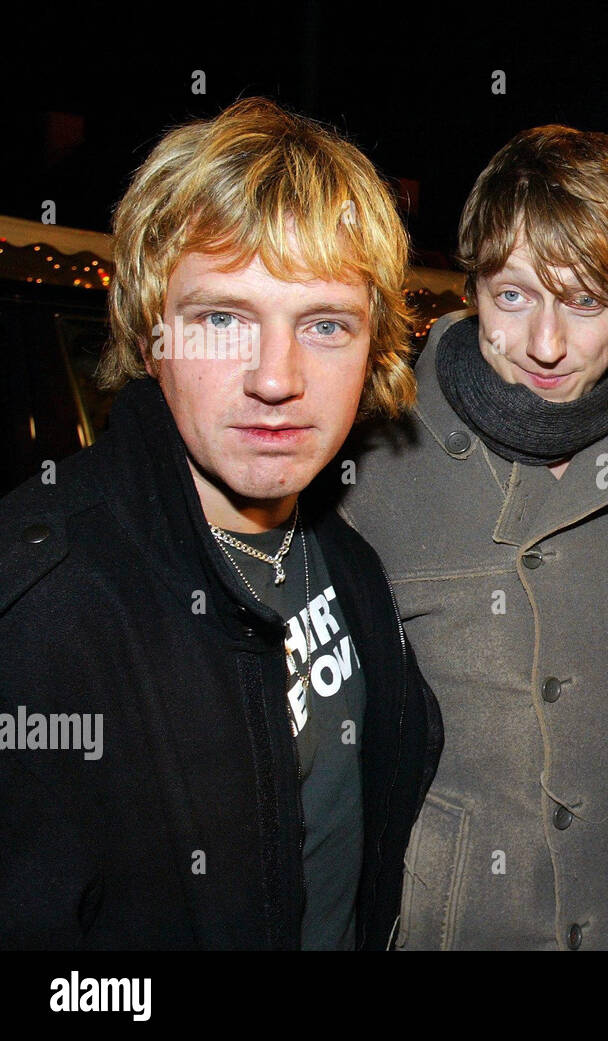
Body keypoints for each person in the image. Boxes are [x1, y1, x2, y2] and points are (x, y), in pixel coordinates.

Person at [0, 99, 442, 949]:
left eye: (323, 324)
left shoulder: (346, 556)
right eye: (223, 318)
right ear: (148, 327)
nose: (276, 378)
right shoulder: (45, 609)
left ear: (374, 346)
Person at [337, 125, 608, 949]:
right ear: (470, 286)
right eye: (514, 296)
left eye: (585, 302)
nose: (546, 345)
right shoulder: (368, 461)